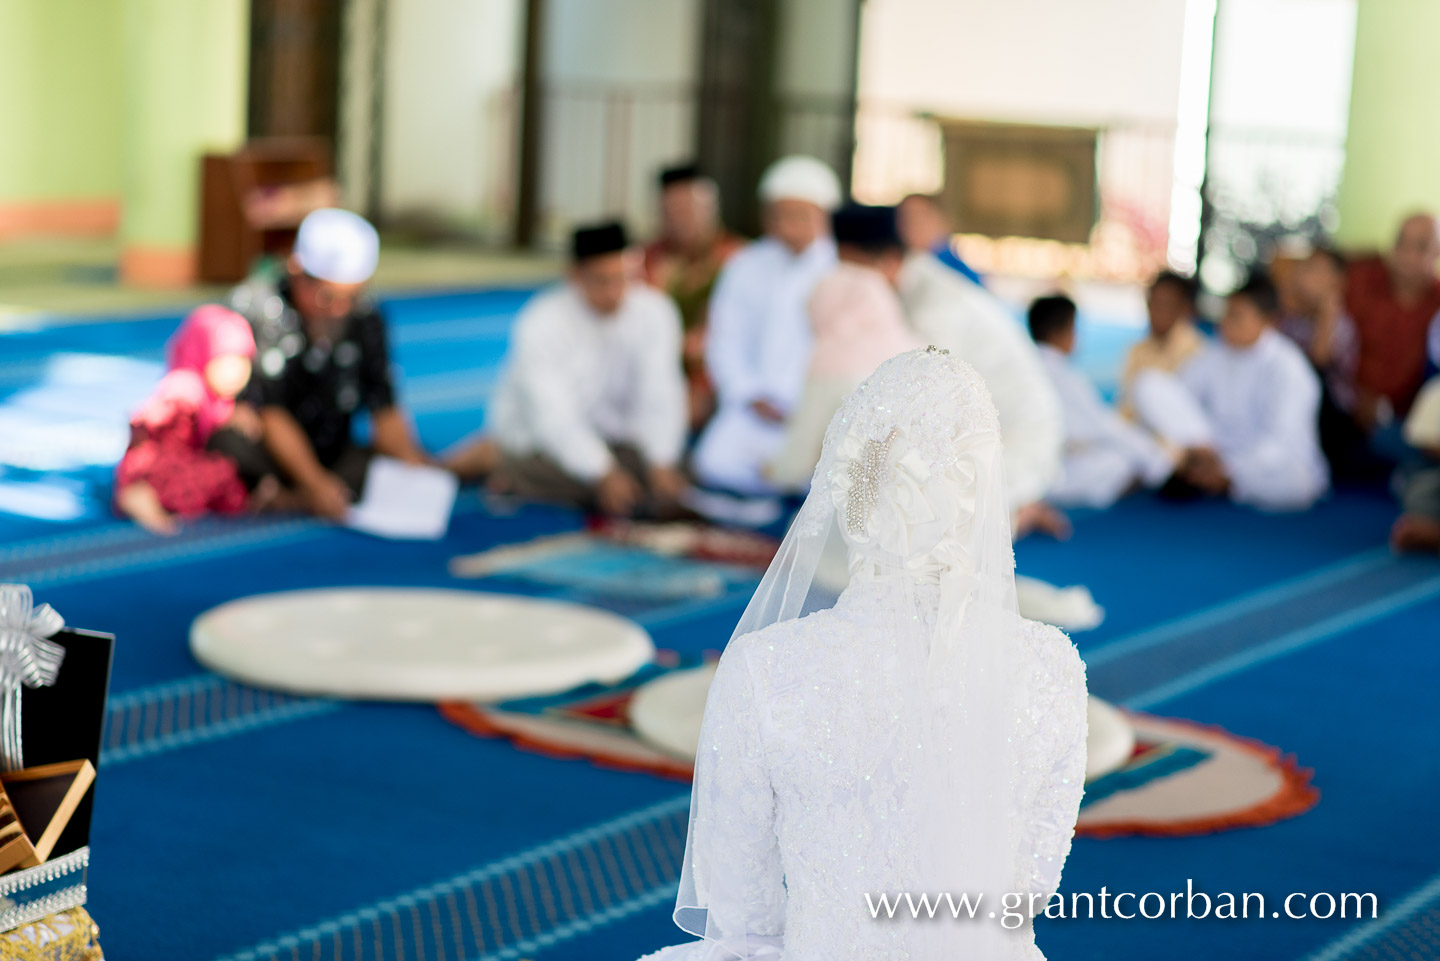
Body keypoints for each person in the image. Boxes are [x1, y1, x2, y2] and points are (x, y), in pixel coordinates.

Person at [636, 348, 1088, 961]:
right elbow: (1026, 894)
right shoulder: (1054, 668)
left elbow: (744, 912)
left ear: (851, 498)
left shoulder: (764, 671)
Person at [830, 204, 1067, 537]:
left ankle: (1019, 508)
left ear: (887, 260)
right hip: (972, 423)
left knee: (931, 536)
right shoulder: (906, 286)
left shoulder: (936, 307)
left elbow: (926, 404)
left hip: (1015, 434)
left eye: (852, 269)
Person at [447, 222, 689, 517]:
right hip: (544, 444)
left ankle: (514, 475)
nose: (615, 293)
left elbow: (662, 393)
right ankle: (499, 466)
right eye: (602, 281)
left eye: (623, 278)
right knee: (557, 471)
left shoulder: (655, 312)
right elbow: (553, 417)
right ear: (575, 275)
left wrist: (661, 461)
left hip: (618, 442)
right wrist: (602, 473)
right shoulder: (542, 322)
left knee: (681, 470)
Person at [231, 207, 427, 520]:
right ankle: (298, 493)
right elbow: (271, 410)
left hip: (331, 445)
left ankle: (298, 497)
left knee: (382, 470)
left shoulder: (364, 316)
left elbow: (383, 403)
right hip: (270, 447)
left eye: (351, 298)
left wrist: (412, 465)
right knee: (229, 445)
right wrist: (314, 482)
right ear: (297, 272)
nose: (339, 310)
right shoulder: (263, 308)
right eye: (327, 297)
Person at [691, 155, 841, 494]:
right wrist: (749, 393)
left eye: (799, 215)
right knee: (713, 465)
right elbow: (724, 340)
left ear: (823, 216)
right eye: (779, 215)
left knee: (820, 480)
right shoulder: (745, 264)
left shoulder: (840, 269)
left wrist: (799, 404)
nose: (787, 226)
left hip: (813, 413)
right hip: (753, 407)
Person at [1133, 272, 1328, 511]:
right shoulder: (1216, 353)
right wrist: (1206, 451)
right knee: (1148, 384)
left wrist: (1231, 467)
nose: (1225, 323)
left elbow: (1280, 445)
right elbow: (1180, 399)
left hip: (1260, 465)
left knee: (1298, 484)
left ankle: (1219, 480)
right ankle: (1207, 473)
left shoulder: (1289, 369)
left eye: (1236, 317)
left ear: (1268, 321)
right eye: (1226, 314)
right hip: (1213, 450)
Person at [115, 306, 280, 534]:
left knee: (230, 483)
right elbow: (158, 426)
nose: (237, 373)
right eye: (226, 361)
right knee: (221, 473)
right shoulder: (186, 387)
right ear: (202, 354)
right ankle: (143, 495)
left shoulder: (220, 399)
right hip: (154, 467)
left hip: (179, 462)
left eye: (243, 362)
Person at [766, 264, 921, 490]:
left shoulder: (828, 358)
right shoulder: (909, 354)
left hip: (853, 500)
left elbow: (796, 461)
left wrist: (774, 472)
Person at [1028, 294, 1174, 508]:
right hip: (1053, 470)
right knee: (1119, 460)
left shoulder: (1024, 366)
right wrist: (1157, 460)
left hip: (1025, 464)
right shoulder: (1065, 375)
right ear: (1064, 332)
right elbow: (1102, 426)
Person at [642, 164, 744, 432]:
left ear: (712, 208)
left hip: (714, 373)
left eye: (688, 210)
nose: (680, 220)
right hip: (656, 368)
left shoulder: (741, 260)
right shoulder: (645, 260)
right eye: (671, 211)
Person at [1346, 213, 1440, 429]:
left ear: (1437, 252)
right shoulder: (1362, 280)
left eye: (1420, 246)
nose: (1407, 254)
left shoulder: (1437, 304)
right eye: (1401, 242)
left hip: (1408, 423)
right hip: (1347, 410)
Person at [1118, 270, 1205, 417]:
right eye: (1153, 303)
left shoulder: (1198, 354)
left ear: (1184, 309)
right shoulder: (1137, 351)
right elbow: (1126, 409)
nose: (1157, 312)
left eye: (1166, 305)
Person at [896, 192, 983, 286]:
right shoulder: (899, 265)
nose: (912, 225)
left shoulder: (955, 269)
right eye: (905, 217)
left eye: (920, 217)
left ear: (941, 220)